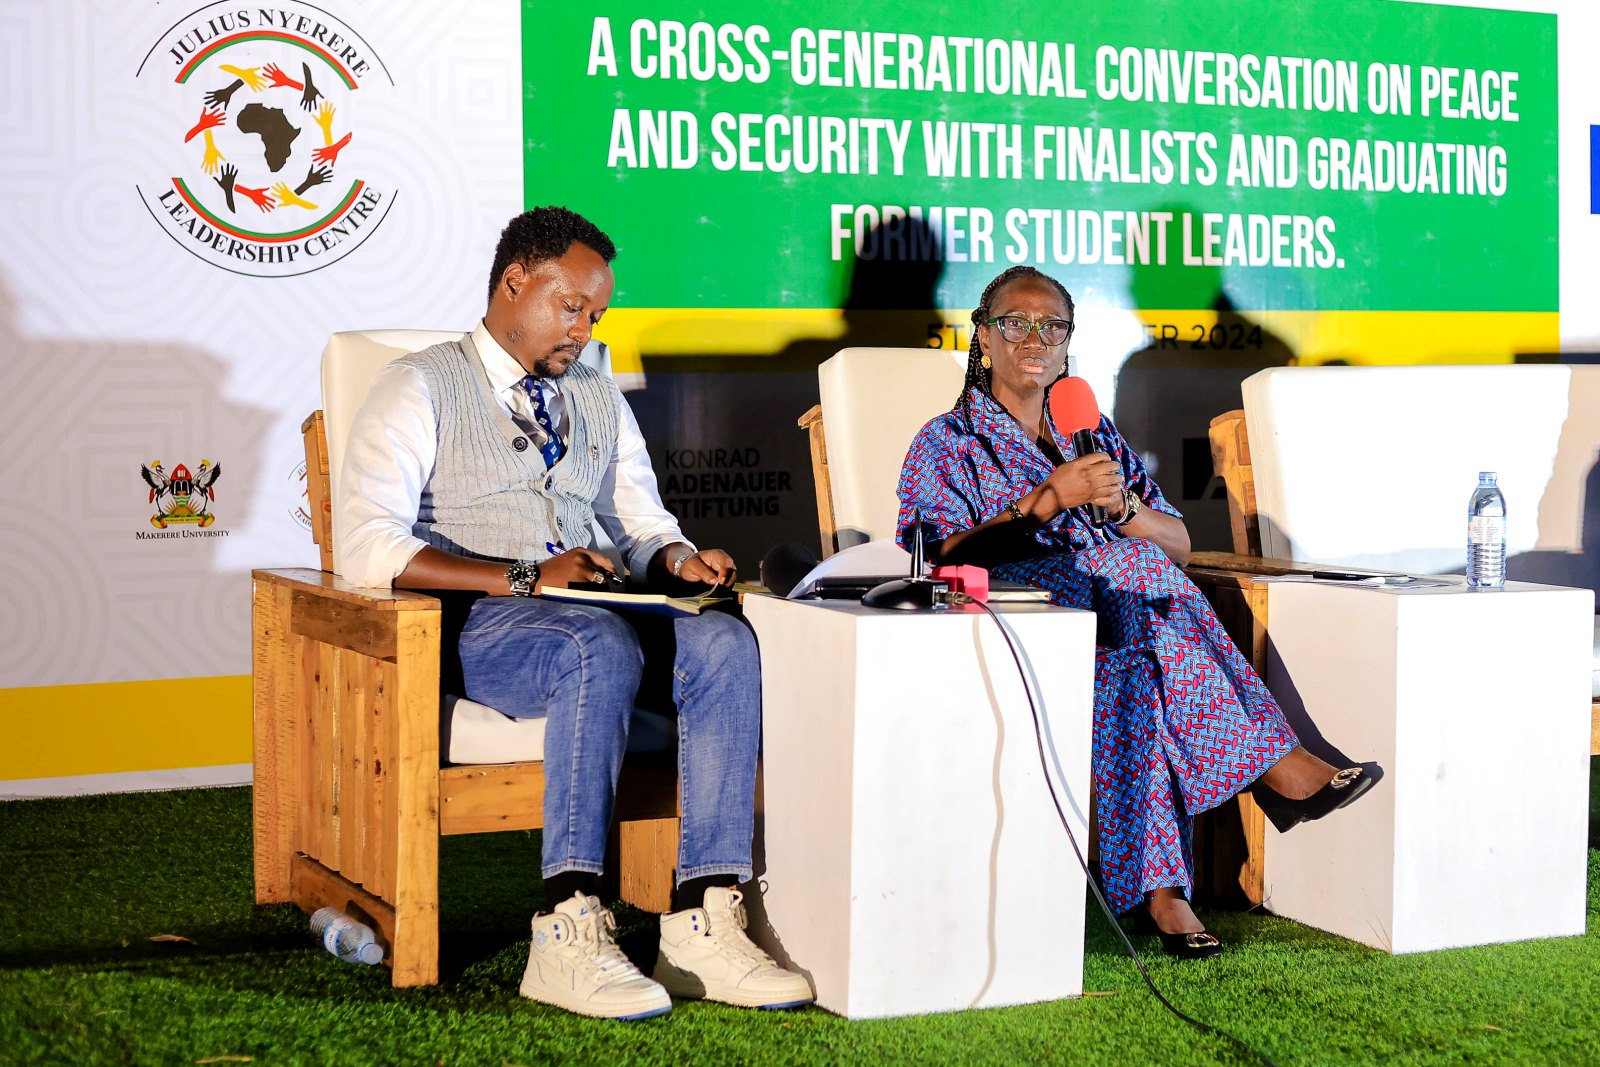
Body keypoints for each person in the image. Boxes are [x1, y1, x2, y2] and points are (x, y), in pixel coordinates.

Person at [336, 207, 812, 1018]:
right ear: (515, 282)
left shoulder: (595, 393)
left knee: (726, 640)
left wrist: (677, 560)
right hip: (483, 626)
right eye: (572, 308)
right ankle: (568, 927)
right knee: (596, 644)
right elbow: (366, 547)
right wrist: (525, 575)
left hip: (603, 613)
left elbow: (641, 521)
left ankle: (701, 918)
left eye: (597, 315)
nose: (586, 330)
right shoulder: (418, 383)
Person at [894, 265, 1377, 960]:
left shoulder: (1093, 433)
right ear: (985, 335)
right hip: (1012, 622)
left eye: (1052, 325)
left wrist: (1120, 509)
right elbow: (932, 560)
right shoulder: (945, 442)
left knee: (1136, 645)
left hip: (1117, 623)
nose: (1035, 337)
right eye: (1016, 322)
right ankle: (1275, 766)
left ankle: (1163, 891)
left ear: (1068, 342)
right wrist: (1048, 500)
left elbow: (1178, 544)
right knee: (1132, 575)